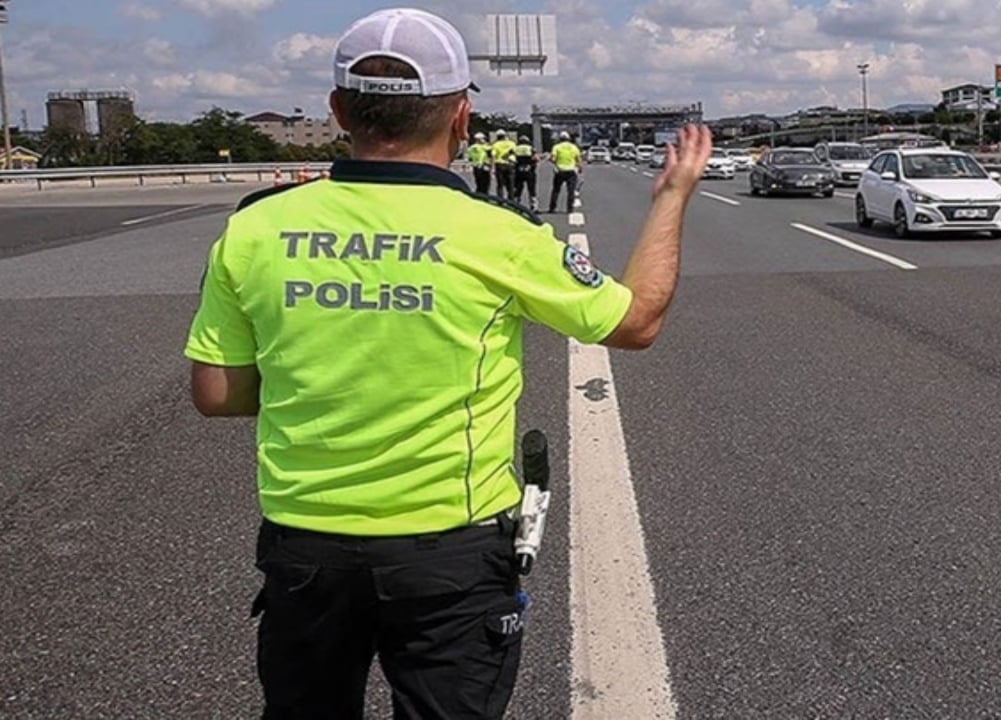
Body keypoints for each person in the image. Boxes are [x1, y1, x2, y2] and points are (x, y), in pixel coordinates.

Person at [183, 7, 712, 720]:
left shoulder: (254, 227)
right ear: (462, 117)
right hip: (450, 553)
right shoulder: (502, 236)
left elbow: (216, 393)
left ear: (339, 110)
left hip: (304, 547)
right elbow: (635, 320)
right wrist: (673, 198)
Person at [547, 131, 582, 214]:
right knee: (571, 191)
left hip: (560, 171)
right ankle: (570, 209)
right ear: (568, 139)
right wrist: (580, 168)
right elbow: (578, 159)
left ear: (560, 139)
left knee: (556, 190)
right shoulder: (574, 147)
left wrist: (554, 162)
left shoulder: (556, 147)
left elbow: (552, 158)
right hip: (571, 171)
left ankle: (552, 208)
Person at [512, 134, 538, 211]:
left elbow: (511, 158)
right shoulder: (531, 148)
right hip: (529, 170)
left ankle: (516, 205)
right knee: (531, 189)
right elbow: (536, 158)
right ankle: (533, 206)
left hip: (519, 171)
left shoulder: (516, 148)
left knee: (518, 188)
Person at [490, 129, 517, 200]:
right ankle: (511, 200)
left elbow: (493, 156)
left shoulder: (495, 145)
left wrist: (492, 168)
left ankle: (500, 200)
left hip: (499, 165)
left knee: (500, 185)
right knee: (511, 184)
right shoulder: (511, 143)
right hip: (510, 164)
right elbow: (514, 152)